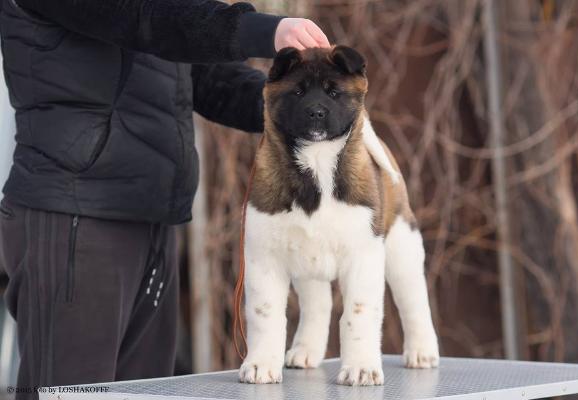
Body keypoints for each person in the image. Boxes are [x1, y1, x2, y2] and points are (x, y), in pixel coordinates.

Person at [0, 0, 330, 398]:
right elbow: (148, 19)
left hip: (154, 214)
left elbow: (207, 80)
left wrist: (306, 108)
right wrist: (265, 31)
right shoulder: (147, 14)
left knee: (147, 391)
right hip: (77, 214)